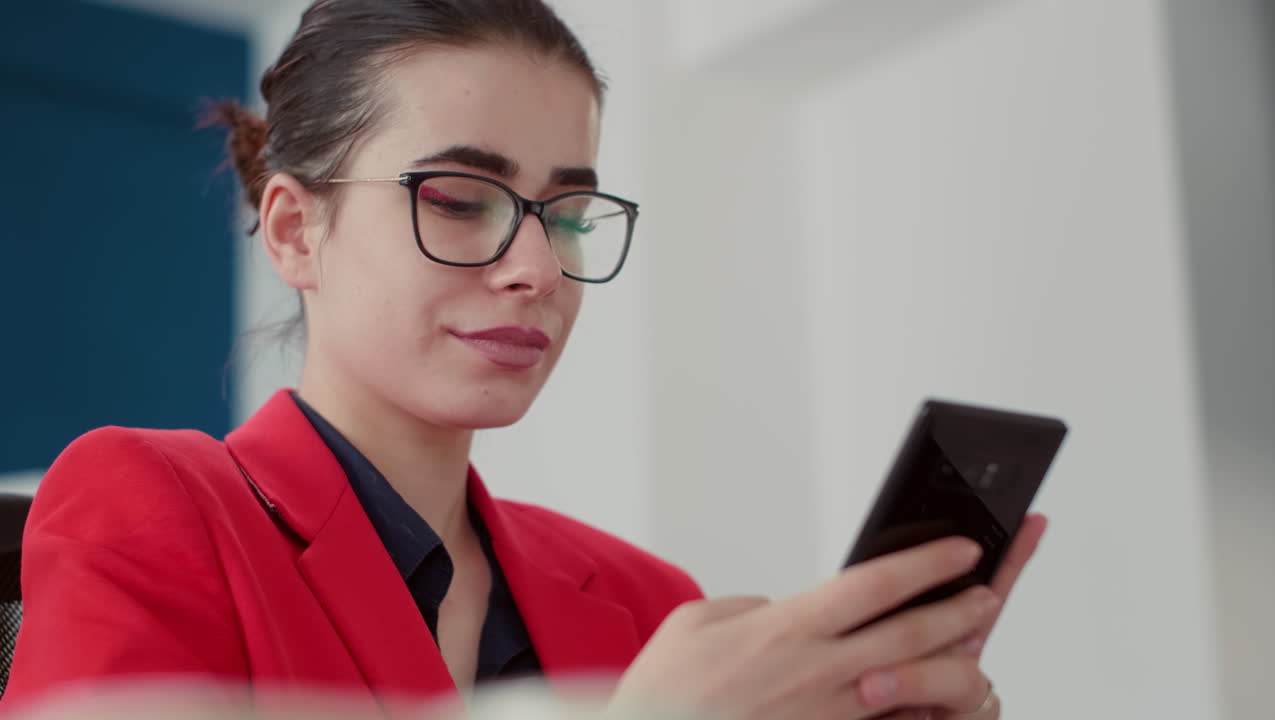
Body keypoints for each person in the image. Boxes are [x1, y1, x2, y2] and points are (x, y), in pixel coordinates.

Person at [1, 1, 1046, 718]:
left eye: (571, 213)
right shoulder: (146, 502)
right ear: (291, 231)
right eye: (459, 201)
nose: (539, 269)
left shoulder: (648, 602)